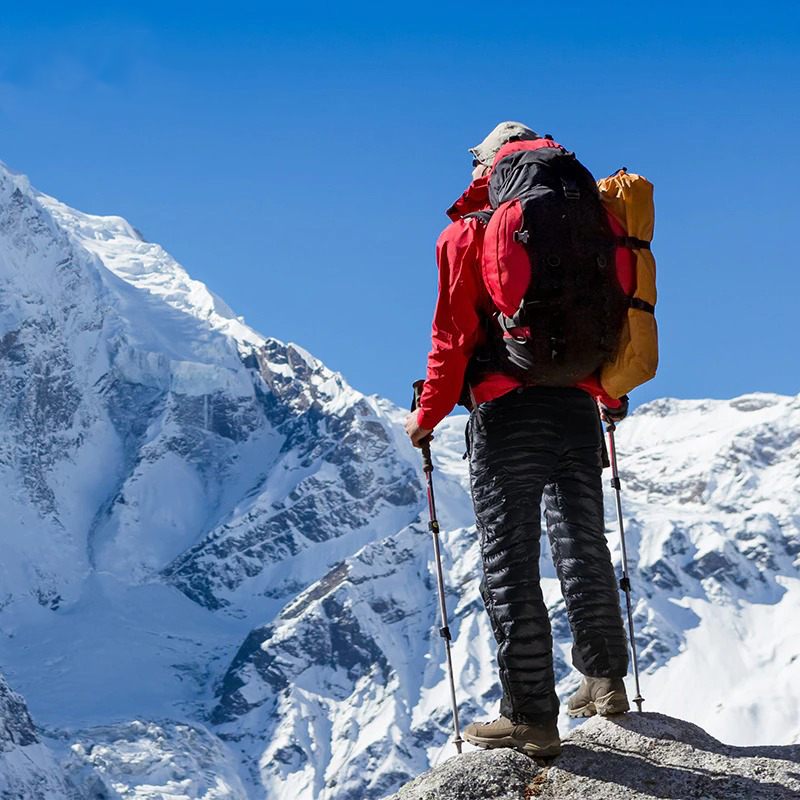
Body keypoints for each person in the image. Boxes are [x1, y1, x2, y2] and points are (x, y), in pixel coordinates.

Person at [405, 121, 631, 758]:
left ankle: (531, 717)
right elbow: (614, 311)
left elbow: (451, 338)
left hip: (508, 415)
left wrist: (427, 415)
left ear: (485, 168)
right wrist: (609, 396)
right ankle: (606, 684)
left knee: (510, 565)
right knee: (583, 546)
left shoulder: (470, 232)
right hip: (580, 407)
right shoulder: (594, 217)